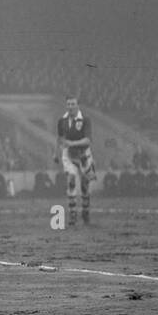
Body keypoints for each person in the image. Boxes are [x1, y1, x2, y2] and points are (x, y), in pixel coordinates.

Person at [55, 95, 96, 226]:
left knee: (85, 185)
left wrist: (72, 143)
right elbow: (60, 138)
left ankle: (85, 212)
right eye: (69, 104)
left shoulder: (85, 120)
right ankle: (72, 214)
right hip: (69, 155)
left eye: (73, 104)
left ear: (78, 105)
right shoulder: (62, 120)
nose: (71, 107)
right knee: (71, 180)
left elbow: (88, 140)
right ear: (66, 105)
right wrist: (55, 153)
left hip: (84, 154)